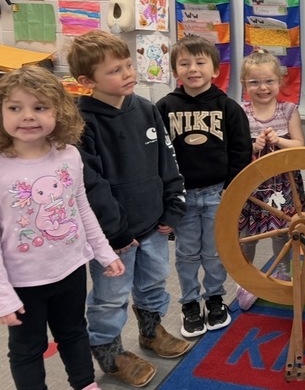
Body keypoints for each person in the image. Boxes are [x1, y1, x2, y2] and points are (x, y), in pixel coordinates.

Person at [67, 30, 190, 388]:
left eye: (128, 65)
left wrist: (172, 207)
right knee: (111, 297)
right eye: (115, 70)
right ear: (88, 81)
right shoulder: (80, 123)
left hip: (154, 224)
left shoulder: (148, 109)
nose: (128, 73)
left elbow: (167, 159)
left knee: (153, 282)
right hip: (113, 236)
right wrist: (116, 231)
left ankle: (151, 331)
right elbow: (89, 185)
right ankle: (109, 352)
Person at [0, 66, 125, 390]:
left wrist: (103, 252)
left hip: (69, 269)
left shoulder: (68, 156)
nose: (28, 116)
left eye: (39, 107)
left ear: (59, 111)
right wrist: (3, 298)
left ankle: (85, 383)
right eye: (15, 108)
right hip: (23, 281)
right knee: (28, 347)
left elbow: (81, 207)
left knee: (73, 331)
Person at [156, 35, 252, 337]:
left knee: (214, 251)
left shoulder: (229, 108)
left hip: (217, 194)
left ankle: (214, 299)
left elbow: (241, 151)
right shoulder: (163, 107)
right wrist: (166, 196)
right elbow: (157, 154)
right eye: (184, 63)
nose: (192, 68)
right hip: (181, 196)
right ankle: (189, 303)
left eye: (200, 62)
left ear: (215, 70)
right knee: (186, 253)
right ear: (175, 70)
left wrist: (231, 189)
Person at [235, 50, 305, 311]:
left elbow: (300, 144)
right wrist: (255, 146)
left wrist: (279, 140)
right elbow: (235, 151)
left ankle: (283, 273)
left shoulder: (288, 110)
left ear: (279, 81)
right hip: (251, 187)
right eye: (254, 82)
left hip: (284, 184)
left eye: (269, 81)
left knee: (284, 233)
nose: (262, 87)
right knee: (247, 235)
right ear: (244, 84)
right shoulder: (239, 112)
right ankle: (246, 278)